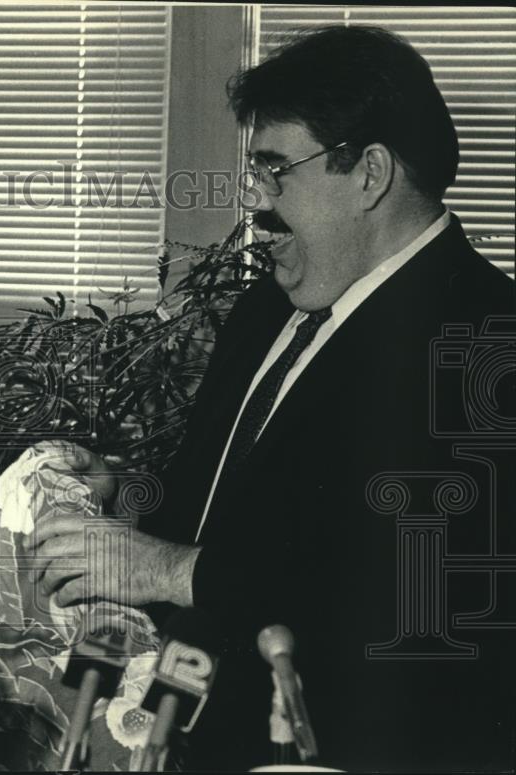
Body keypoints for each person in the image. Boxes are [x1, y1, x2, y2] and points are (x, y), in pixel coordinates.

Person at [33, 25, 515, 771]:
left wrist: (171, 569)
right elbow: (234, 507)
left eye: (274, 169)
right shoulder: (269, 306)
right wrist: (123, 490)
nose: (252, 201)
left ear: (370, 174)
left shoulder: (489, 342)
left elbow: (423, 602)